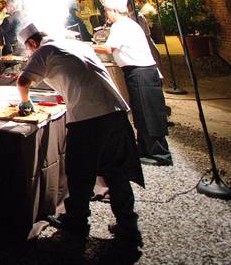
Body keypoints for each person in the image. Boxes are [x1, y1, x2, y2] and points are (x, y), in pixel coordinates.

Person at [17, 23, 144, 246]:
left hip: (89, 118)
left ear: (32, 43)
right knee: (117, 172)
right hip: (116, 112)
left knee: (79, 173)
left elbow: (23, 81)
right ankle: (128, 227)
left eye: (28, 49)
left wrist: (25, 101)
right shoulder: (74, 44)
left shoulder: (44, 51)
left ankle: (76, 225)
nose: (29, 53)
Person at [94, 0, 172, 166]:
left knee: (149, 113)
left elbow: (108, 48)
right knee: (142, 112)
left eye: (106, 10)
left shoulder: (122, 25)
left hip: (141, 73)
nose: (106, 14)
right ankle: (146, 148)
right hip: (138, 73)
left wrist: (83, 47)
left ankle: (160, 154)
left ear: (113, 9)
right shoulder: (126, 24)